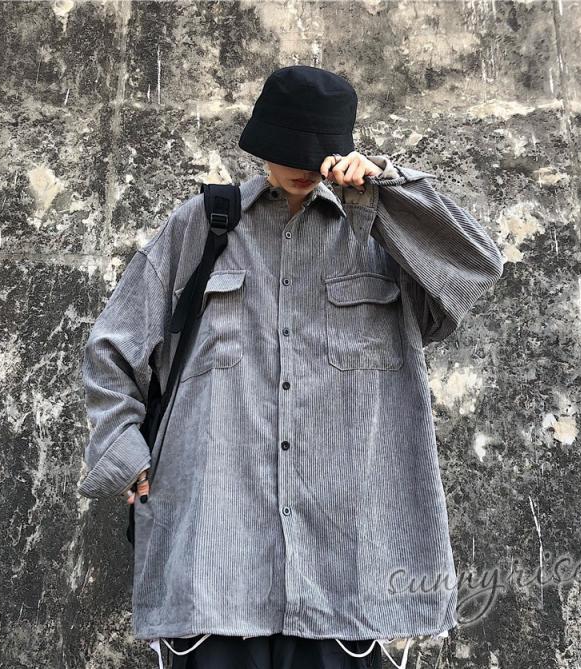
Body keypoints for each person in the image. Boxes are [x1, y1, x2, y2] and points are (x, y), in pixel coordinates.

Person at [77, 65, 504, 669]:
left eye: (316, 150)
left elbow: (475, 271)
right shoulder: (200, 227)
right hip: (215, 563)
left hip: (347, 573)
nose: (302, 164)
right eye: (288, 149)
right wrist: (125, 452)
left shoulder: (381, 233)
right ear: (261, 142)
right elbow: (113, 346)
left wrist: (389, 192)